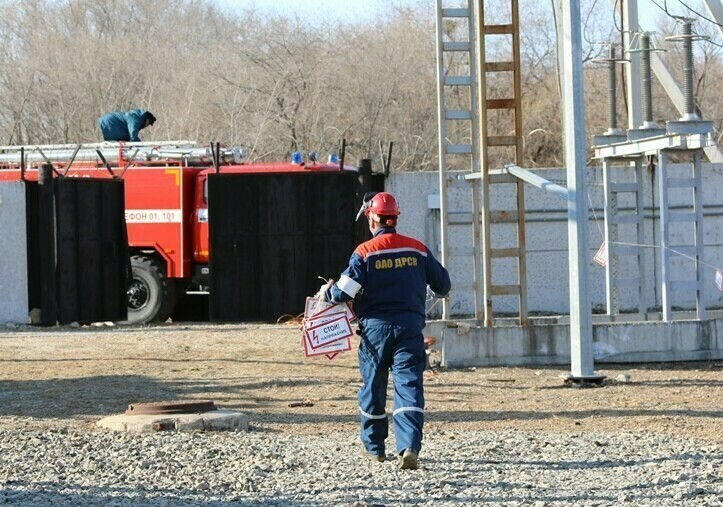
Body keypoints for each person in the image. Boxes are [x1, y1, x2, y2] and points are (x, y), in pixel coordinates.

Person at [318, 191, 450, 470]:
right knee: (409, 387)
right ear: (395, 218)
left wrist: (327, 293)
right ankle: (408, 447)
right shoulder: (417, 249)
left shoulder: (364, 252)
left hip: (375, 333)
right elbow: (444, 286)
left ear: (371, 218)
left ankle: (375, 448)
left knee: (373, 388)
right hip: (409, 330)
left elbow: (345, 291)